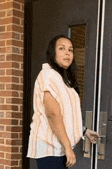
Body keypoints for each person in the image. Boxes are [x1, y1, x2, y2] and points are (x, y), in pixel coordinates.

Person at [27, 35, 99, 169]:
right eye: (62, 48)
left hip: (58, 149)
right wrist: (68, 148)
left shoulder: (62, 79)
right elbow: (53, 114)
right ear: (52, 53)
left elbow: (65, 115)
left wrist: (83, 131)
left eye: (70, 50)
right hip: (50, 149)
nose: (67, 53)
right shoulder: (48, 75)